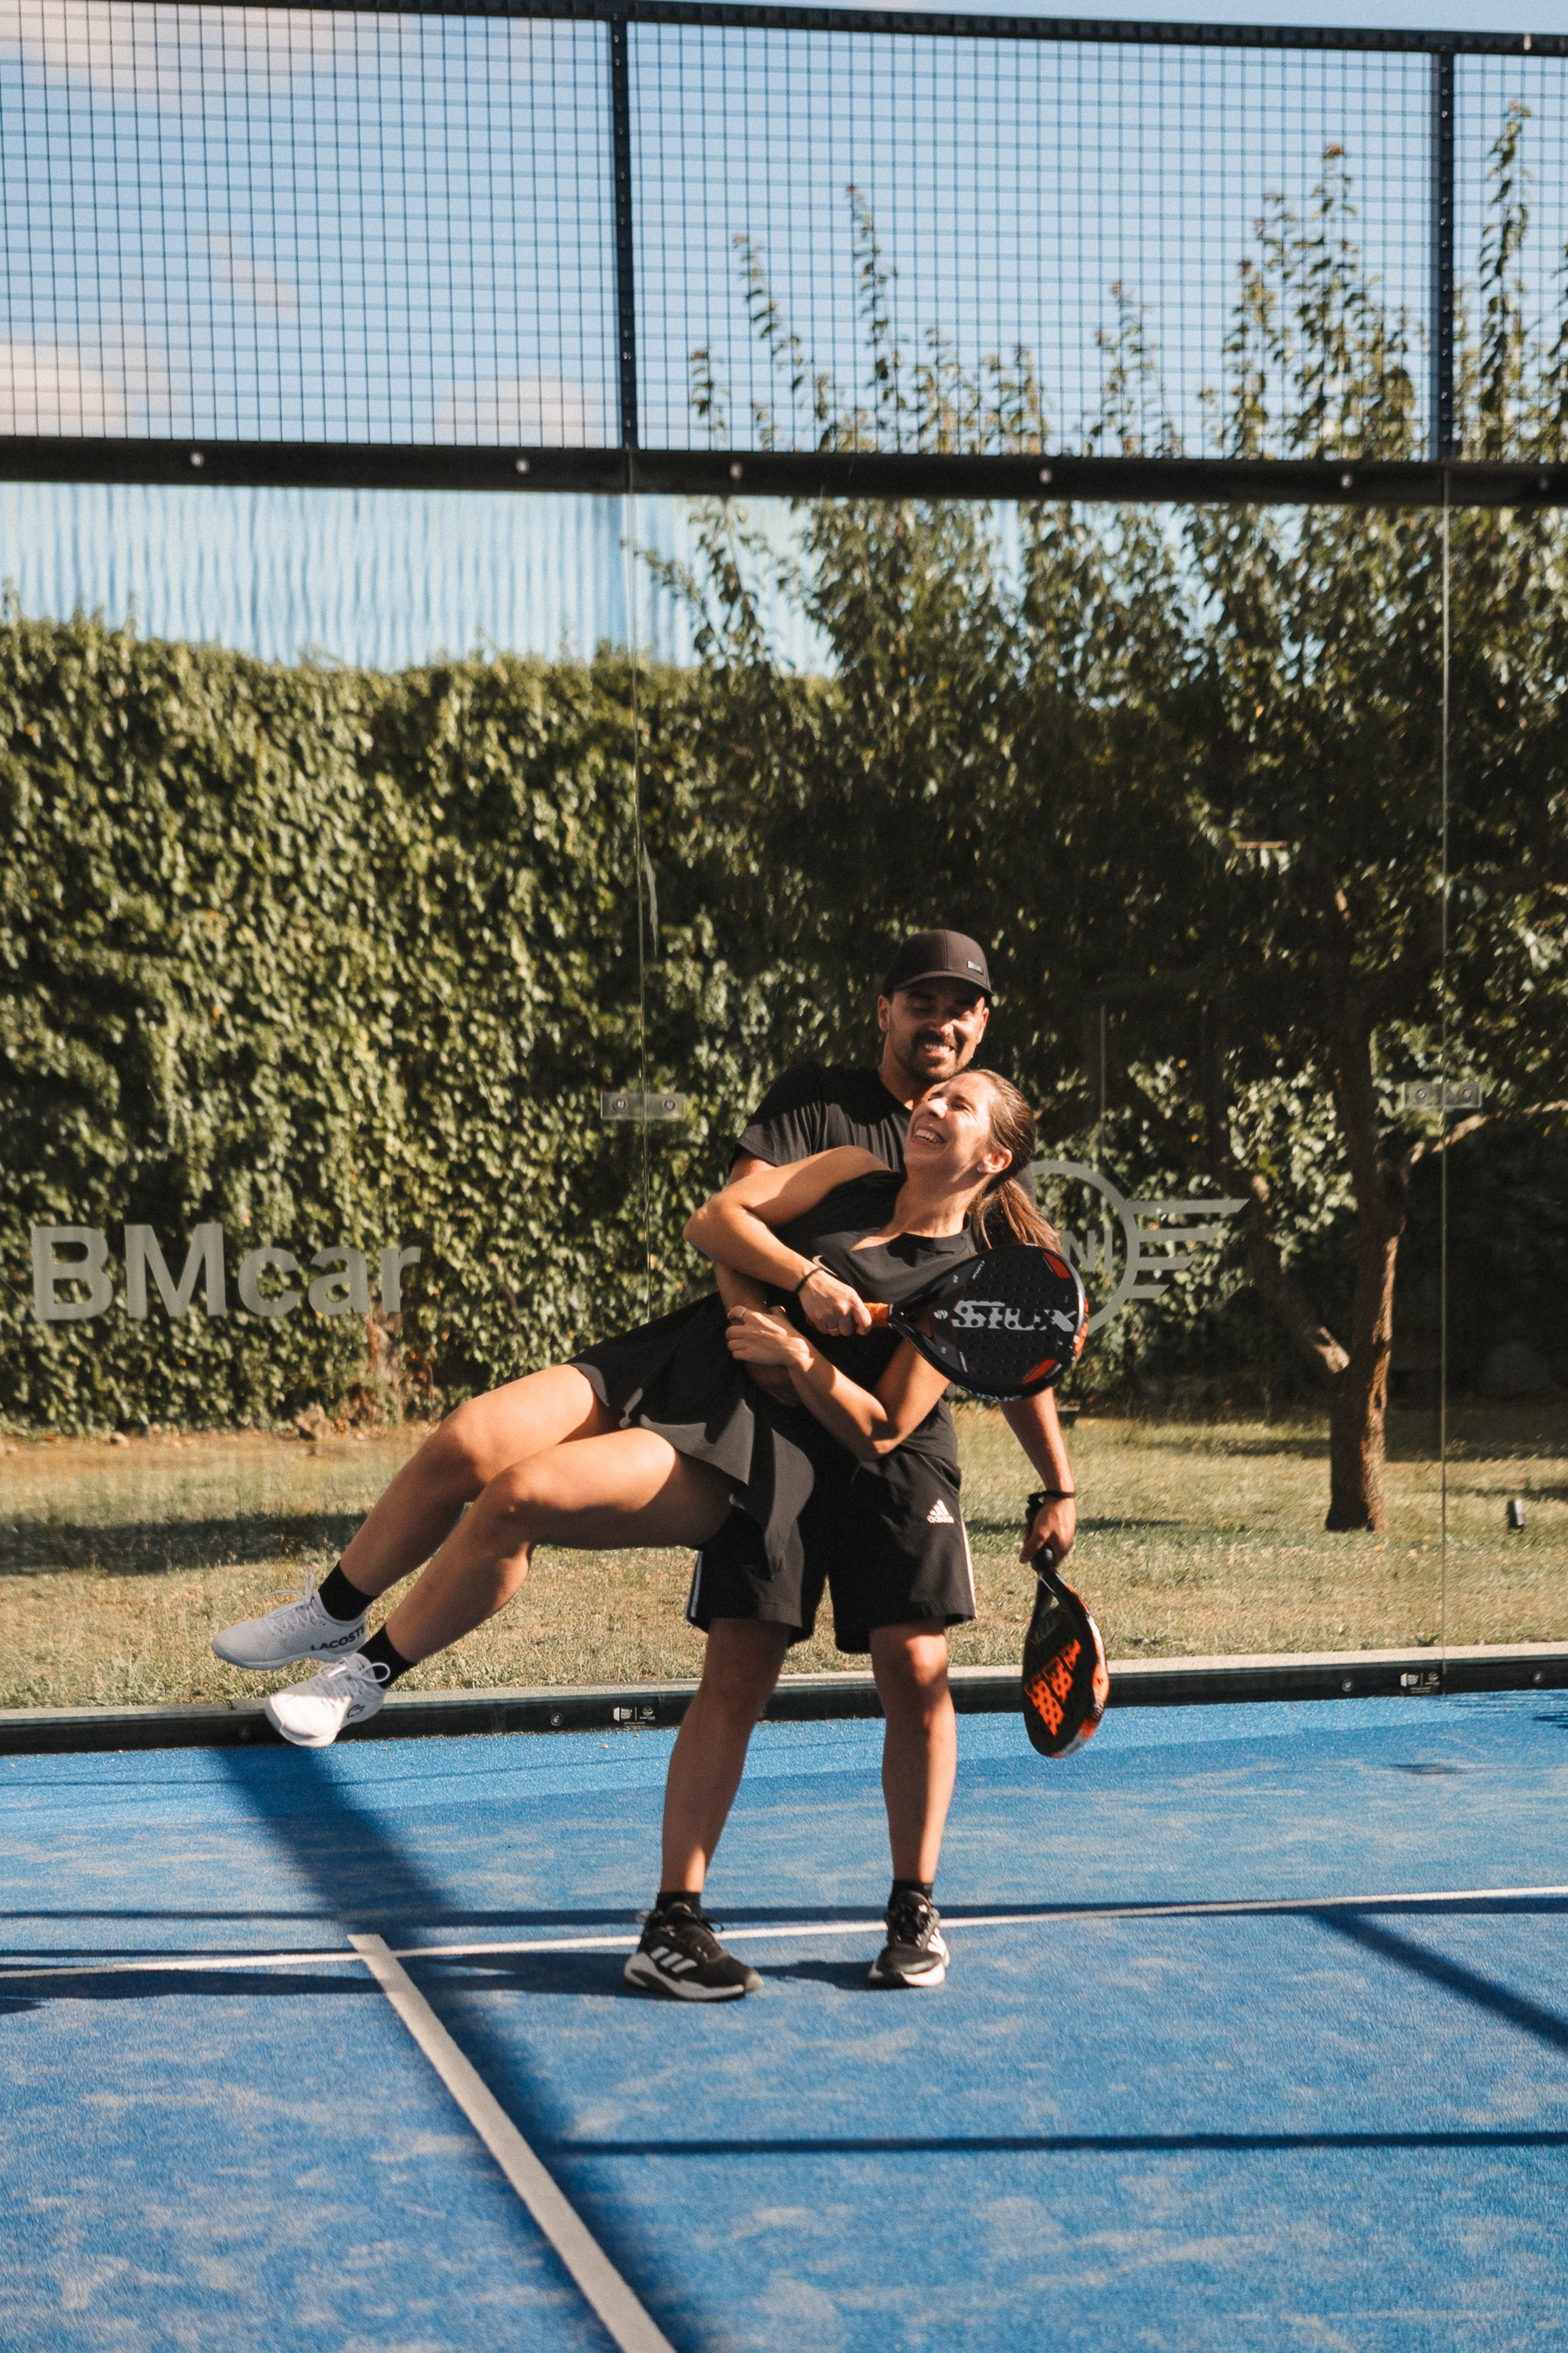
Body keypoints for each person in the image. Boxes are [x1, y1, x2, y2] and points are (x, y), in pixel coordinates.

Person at [211, 1066, 1057, 1992]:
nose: (933, 1106)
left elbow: (885, 1425)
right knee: (497, 1468)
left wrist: (800, 1357)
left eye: (959, 1105)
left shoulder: (971, 1281)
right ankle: (360, 1655)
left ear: (996, 1155)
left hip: (810, 1455)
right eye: (932, 1098)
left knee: (891, 1670)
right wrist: (799, 1285)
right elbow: (720, 1222)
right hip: (714, 1387)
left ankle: (911, 1911)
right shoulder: (848, 1166)